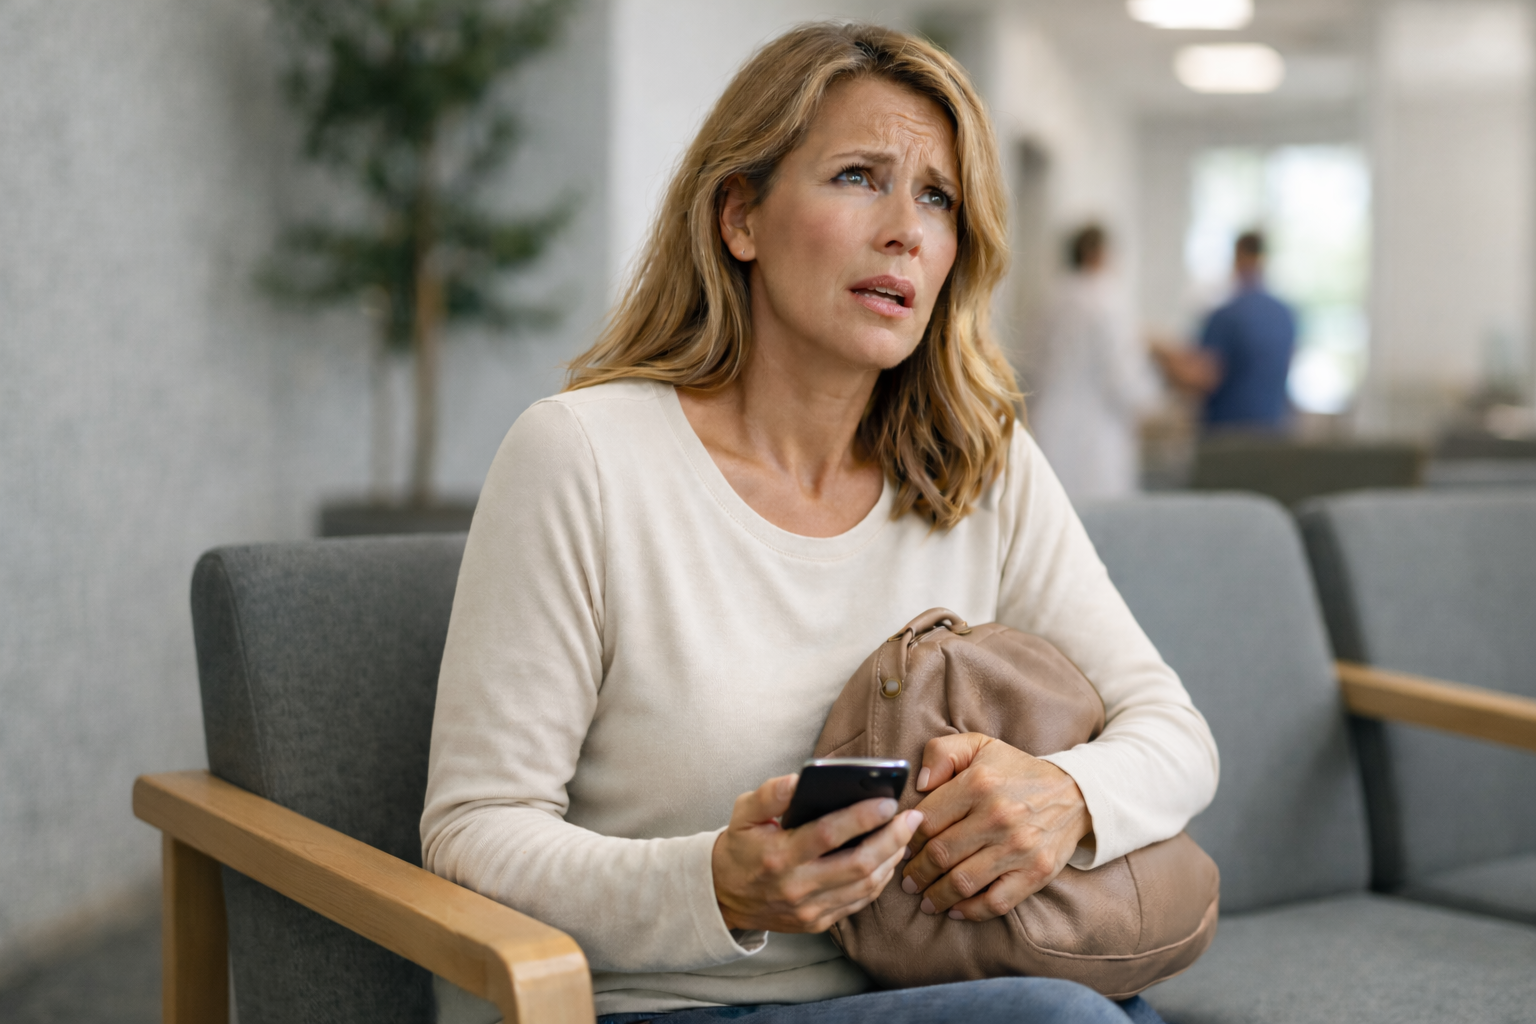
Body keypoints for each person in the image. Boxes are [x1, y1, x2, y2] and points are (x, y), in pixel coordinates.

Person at [422, 23, 1217, 1024]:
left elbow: (1176, 734)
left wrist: (1064, 795)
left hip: (947, 987)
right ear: (740, 215)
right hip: (661, 1006)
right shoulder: (580, 455)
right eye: (858, 176)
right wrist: (717, 882)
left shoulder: (981, 461)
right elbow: (472, 834)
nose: (906, 230)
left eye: (938, 196)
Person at [1027, 225, 1161, 501]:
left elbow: (1030, 365)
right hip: (1097, 440)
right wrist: (1154, 398)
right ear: (1097, 254)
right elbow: (1124, 378)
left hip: (1049, 425)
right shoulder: (1108, 298)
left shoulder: (1050, 297)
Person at [1155, 230, 1296, 431]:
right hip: (1274, 436)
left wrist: (1161, 353)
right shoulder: (1286, 315)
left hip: (1228, 440)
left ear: (1238, 257)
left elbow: (1201, 378)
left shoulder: (1227, 316)